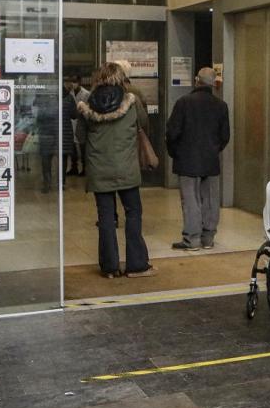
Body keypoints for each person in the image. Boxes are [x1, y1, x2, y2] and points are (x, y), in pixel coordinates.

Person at [77, 63, 154, 279]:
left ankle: (110, 268)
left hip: (99, 170)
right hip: (126, 168)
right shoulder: (132, 102)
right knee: (133, 213)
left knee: (106, 218)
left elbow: (81, 138)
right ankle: (137, 265)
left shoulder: (86, 105)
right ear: (121, 78)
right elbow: (144, 126)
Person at [166, 67, 230, 251]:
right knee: (210, 199)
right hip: (210, 159)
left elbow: (172, 132)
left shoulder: (183, 103)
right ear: (213, 84)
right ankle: (208, 238)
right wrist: (214, 150)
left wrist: (175, 152)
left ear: (196, 81)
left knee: (190, 200)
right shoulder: (221, 105)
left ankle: (192, 240)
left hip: (186, 160)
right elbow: (225, 136)